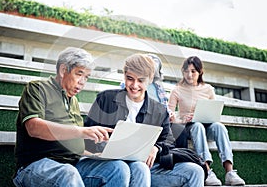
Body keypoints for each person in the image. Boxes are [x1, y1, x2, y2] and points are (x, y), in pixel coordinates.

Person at [13, 47, 149, 187]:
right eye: (79, 74)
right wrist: (83, 131)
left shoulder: (74, 101)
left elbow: (72, 144)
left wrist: (95, 154)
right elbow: (34, 127)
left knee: (118, 168)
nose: (83, 82)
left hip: (73, 163)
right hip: (36, 165)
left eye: (86, 77)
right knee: (67, 173)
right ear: (63, 70)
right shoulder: (37, 88)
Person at [85, 53, 204, 187]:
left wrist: (156, 148)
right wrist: (103, 143)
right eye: (130, 79)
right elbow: (87, 137)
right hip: (112, 167)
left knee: (195, 171)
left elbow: (168, 141)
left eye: (141, 80)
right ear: (124, 76)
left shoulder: (159, 110)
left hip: (147, 166)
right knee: (138, 168)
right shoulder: (105, 99)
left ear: (150, 79)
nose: (134, 85)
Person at [168, 56, 245, 186]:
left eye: (193, 71)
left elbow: (214, 111)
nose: (189, 74)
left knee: (219, 127)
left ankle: (230, 172)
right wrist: (182, 119)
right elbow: (169, 115)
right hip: (188, 128)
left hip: (207, 126)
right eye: (186, 71)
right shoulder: (177, 90)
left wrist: (207, 116)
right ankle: (207, 171)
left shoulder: (208, 89)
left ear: (200, 72)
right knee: (197, 126)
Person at [146, 54, 188, 148]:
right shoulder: (137, 83)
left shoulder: (158, 86)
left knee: (179, 129)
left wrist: (170, 113)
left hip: (160, 120)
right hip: (146, 120)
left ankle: (181, 158)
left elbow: (164, 104)